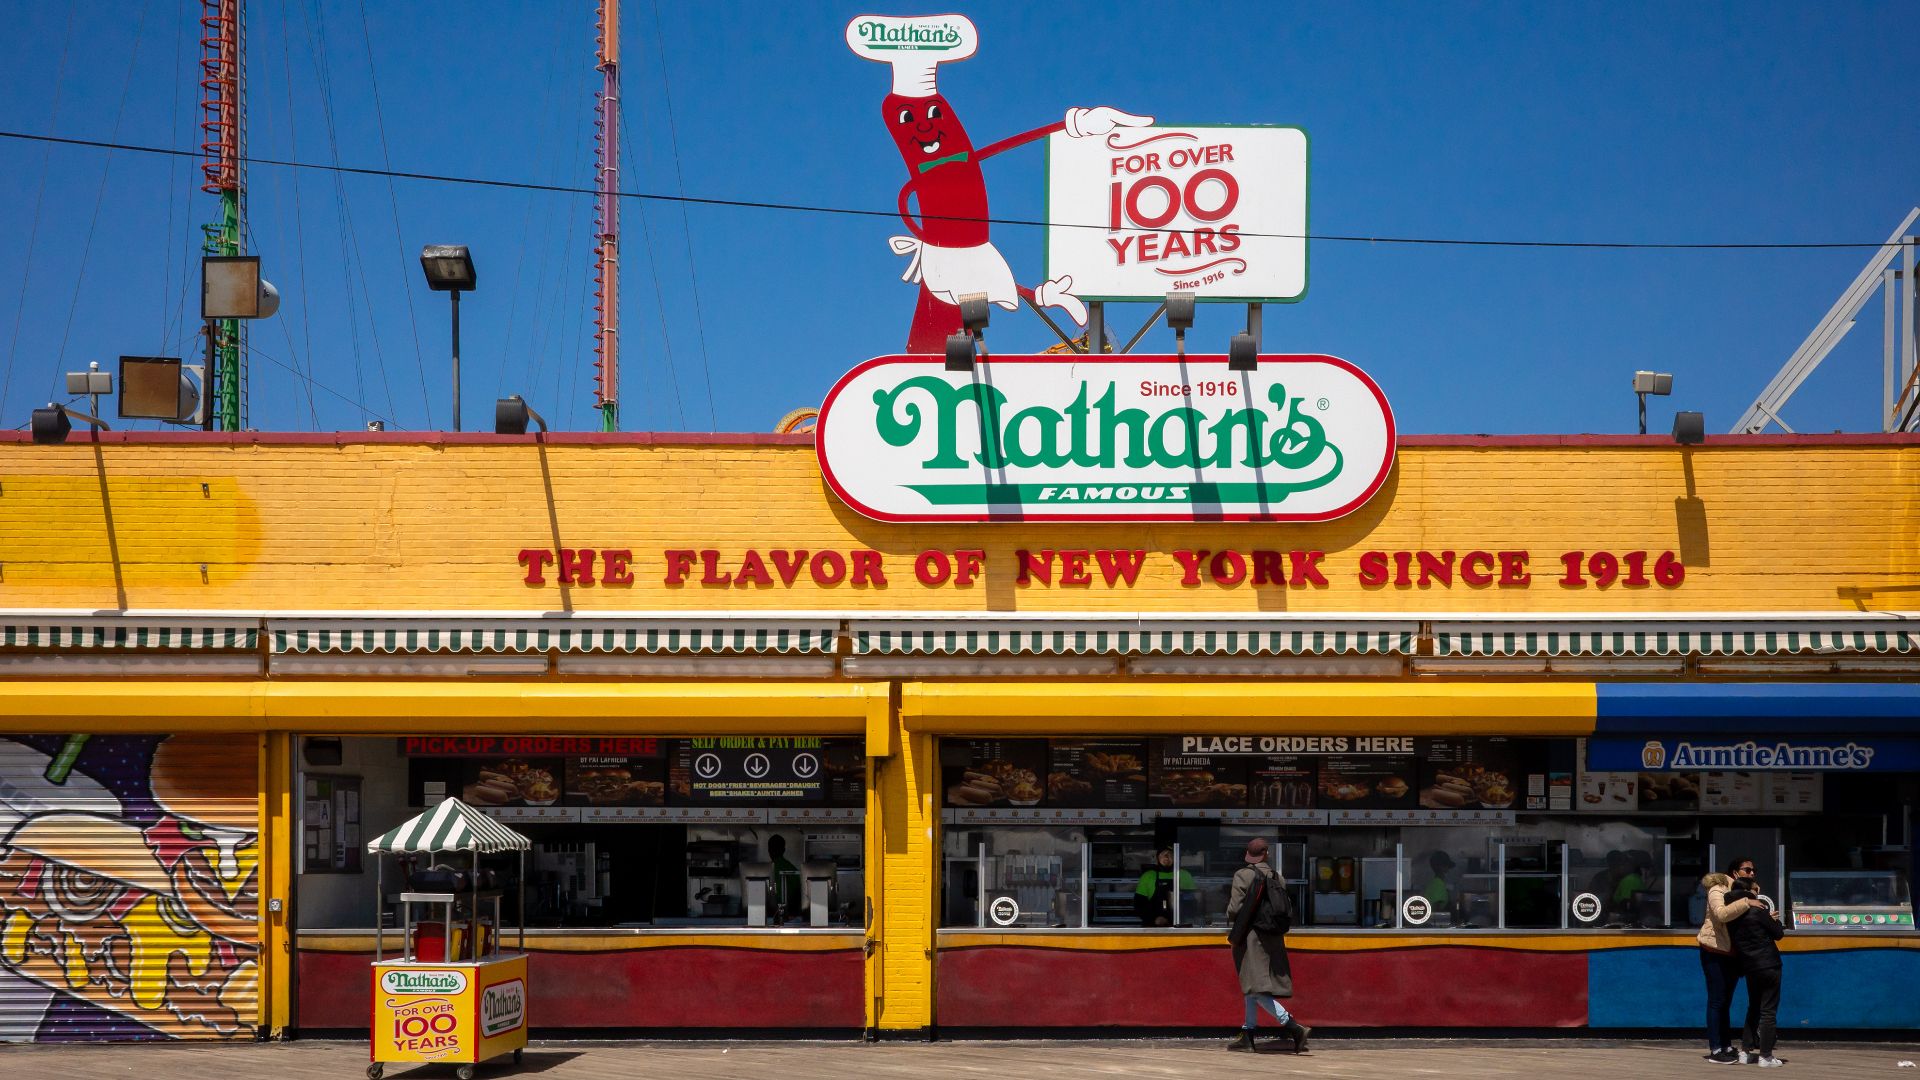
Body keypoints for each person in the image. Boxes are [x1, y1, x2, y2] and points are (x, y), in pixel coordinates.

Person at [1225, 837, 1310, 1054]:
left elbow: (1234, 909)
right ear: (1267, 854)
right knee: (1251, 983)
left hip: (1251, 937)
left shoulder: (1243, 874)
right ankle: (1248, 1033)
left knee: (1255, 988)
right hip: (1272, 937)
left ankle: (1293, 1026)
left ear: (1249, 854)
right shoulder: (1277, 877)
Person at [1696, 861, 1759, 1065]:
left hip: (1731, 954)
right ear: (1735, 872)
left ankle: (1726, 1045)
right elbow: (1721, 914)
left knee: (1726, 1002)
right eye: (1747, 870)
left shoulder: (1743, 891)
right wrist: (1747, 902)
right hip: (1714, 950)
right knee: (1716, 1001)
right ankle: (1715, 1049)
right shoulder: (1718, 888)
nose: (1752, 873)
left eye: (1753, 871)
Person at [1725, 865, 1787, 1067]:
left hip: (1749, 966)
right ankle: (1766, 1056)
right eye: (1756, 890)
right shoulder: (1758, 910)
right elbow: (1778, 933)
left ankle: (1745, 1051)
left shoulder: (1732, 914)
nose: (1758, 894)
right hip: (1768, 964)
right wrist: (1773, 920)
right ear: (1748, 890)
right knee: (1768, 1010)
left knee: (1753, 1007)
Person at [1134, 847, 1199, 927]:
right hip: (1153, 926)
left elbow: (1192, 903)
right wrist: (1154, 919)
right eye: (1163, 854)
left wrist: (1182, 919)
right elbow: (1139, 905)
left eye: (1170, 854)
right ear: (1158, 857)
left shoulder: (1184, 875)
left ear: (1175, 857)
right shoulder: (1148, 876)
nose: (1166, 857)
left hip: (1180, 926)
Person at [766, 834, 804, 924]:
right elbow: (799, 893)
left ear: (769, 850)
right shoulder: (791, 868)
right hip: (790, 914)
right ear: (784, 850)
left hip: (773, 913)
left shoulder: (766, 869)